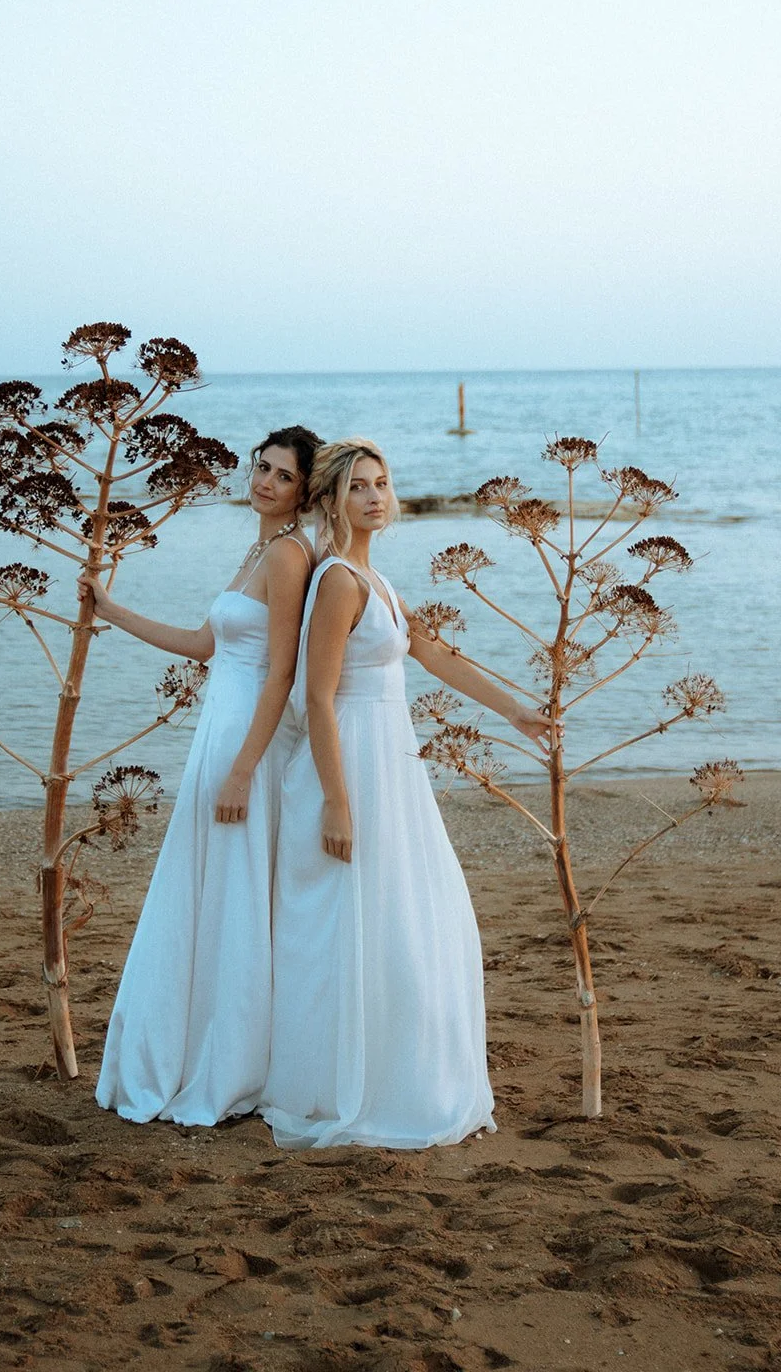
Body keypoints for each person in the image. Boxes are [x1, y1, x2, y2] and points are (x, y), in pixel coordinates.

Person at [260, 438, 550, 1149]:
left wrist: (514, 710)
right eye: (358, 487)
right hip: (349, 768)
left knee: (414, 921)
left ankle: (404, 1074)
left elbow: (432, 654)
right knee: (351, 927)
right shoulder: (334, 582)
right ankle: (342, 1086)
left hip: (394, 767)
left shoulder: (377, 582)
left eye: (382, 484)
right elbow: (316, 699)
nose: (375, 498)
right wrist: (335, 801)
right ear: (330, 500)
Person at [85, 424, 321, 1125]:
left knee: (236, 898)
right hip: (219, 729)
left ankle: (233, 1063)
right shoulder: (258, 547)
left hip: (245, 742)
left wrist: (243, 770)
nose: (264, 482)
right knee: (205, 894)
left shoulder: (288, 556)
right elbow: (203, 645)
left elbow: (280, 673)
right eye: (261, 468)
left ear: (305, 491)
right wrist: (111, 611)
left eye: (282, 476)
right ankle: (198, 1046)